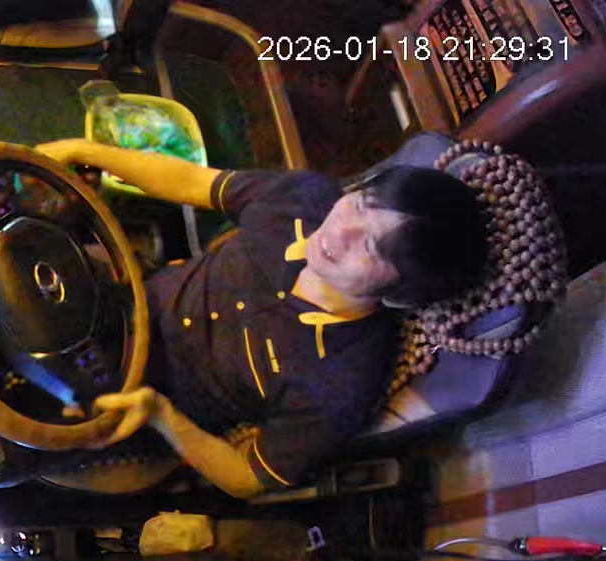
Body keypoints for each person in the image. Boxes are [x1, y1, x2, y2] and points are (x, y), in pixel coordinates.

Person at [34, 139, 489, 499]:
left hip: (121, 398)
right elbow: (193, 182)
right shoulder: (305, 199)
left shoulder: (343, 381)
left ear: (398, 296)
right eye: (361, 205)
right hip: (116, 296)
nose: (339, 231)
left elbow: (248, 478)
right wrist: (86, 151)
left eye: (369, 246)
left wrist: (162, 416)